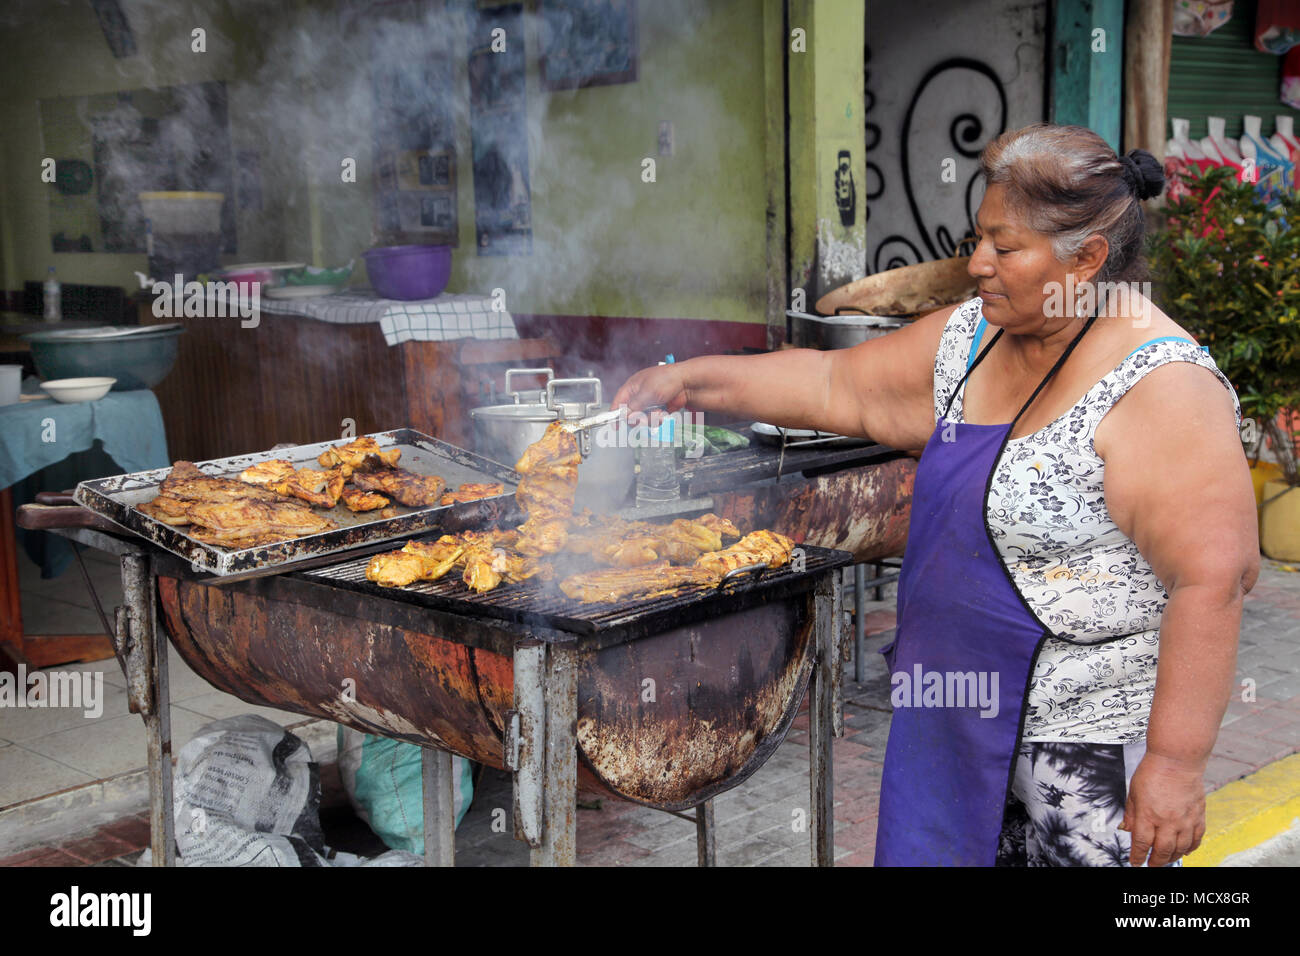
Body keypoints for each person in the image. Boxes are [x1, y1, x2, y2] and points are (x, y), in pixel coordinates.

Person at [612, 123, 1260, 867]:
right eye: (977, 239)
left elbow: (1214, 578)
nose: (977, 264)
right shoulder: (973, 338)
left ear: (1086, 259)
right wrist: (690, 381)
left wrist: (1176, 765)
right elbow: (837, 385)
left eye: (1005, 248)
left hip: (1085, 755)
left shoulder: (1161, 387)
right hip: (951, 720)